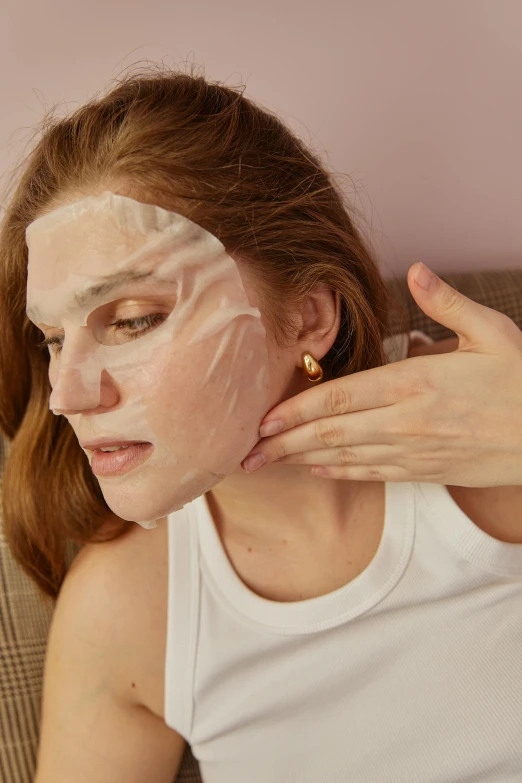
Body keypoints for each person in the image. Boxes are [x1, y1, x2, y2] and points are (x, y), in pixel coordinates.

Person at [0, 66, 521, 783]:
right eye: (54, 340)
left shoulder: (485, 443)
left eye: (131, 320)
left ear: (308, 316)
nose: (66, 394)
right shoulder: (128, 613)